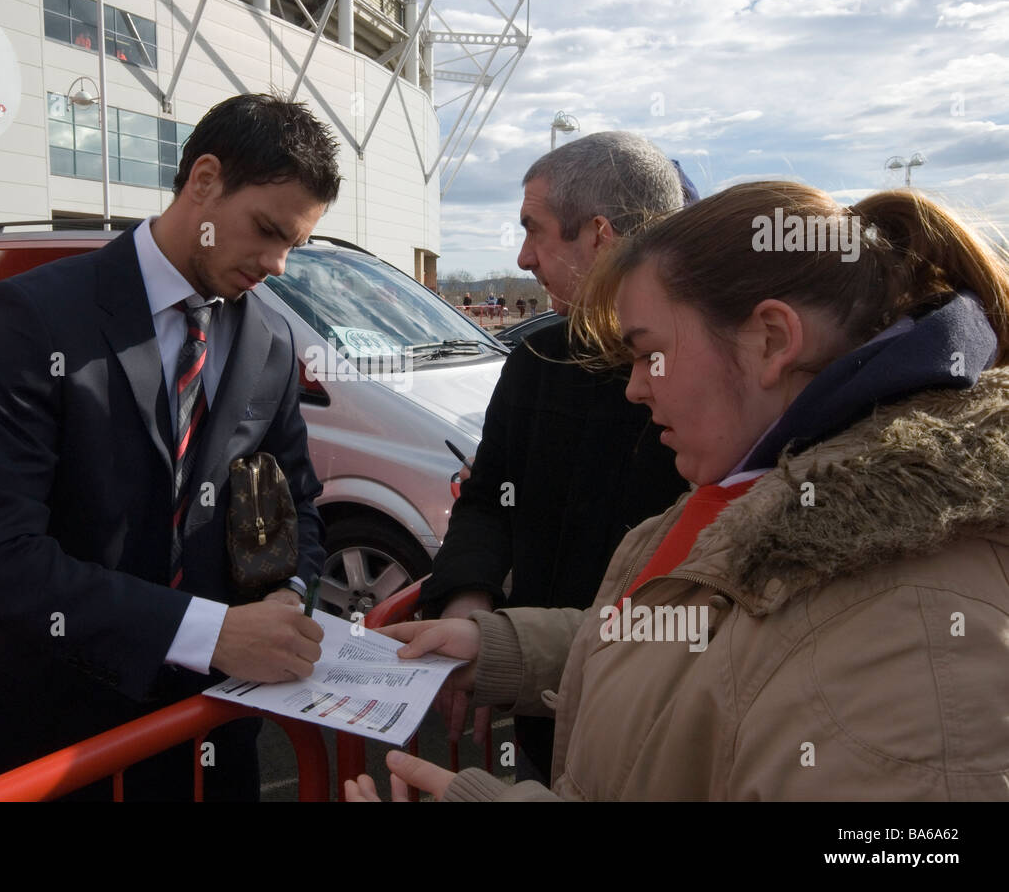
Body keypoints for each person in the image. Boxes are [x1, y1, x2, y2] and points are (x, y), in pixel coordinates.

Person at [349, 181, 1009, 801]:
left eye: (648, 353)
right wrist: (503, 650)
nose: (636, 388)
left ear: (771, 340)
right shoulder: (768, 487)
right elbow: (697, 654)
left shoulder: (909, 620)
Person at [0, 93, 340, 801]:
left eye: (293, 246)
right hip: (55, 740)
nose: (276, 263)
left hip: (210, 739)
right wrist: (207, 632)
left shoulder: (270, 339)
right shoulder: (34, 315)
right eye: (268, 230)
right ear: (204, 179)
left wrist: (290, 597)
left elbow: (297, 497)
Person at [417, 132, 691, 783]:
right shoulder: (538, 362)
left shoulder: (711, 382)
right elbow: (486, 500)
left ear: (598, 236)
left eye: (534, 231)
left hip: (660, 734)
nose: (522, 256)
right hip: (540, 714)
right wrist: (469, 606)